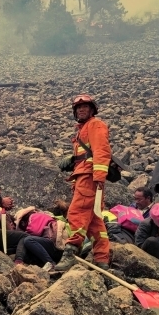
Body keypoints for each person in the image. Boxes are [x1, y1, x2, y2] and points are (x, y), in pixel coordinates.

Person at [55, 94, 111, 272]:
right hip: (87, 176)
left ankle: (70, 253)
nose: (81, 109)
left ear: (92, 109)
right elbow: (89, 154)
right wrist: (73, 160)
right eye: (78, 108)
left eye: (85, 107)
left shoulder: (95, 125)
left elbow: (101, 151)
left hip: (89, 178)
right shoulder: (85, 128)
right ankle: (102, 259)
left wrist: (99, 177)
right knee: (95, 223)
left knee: (77, 213)